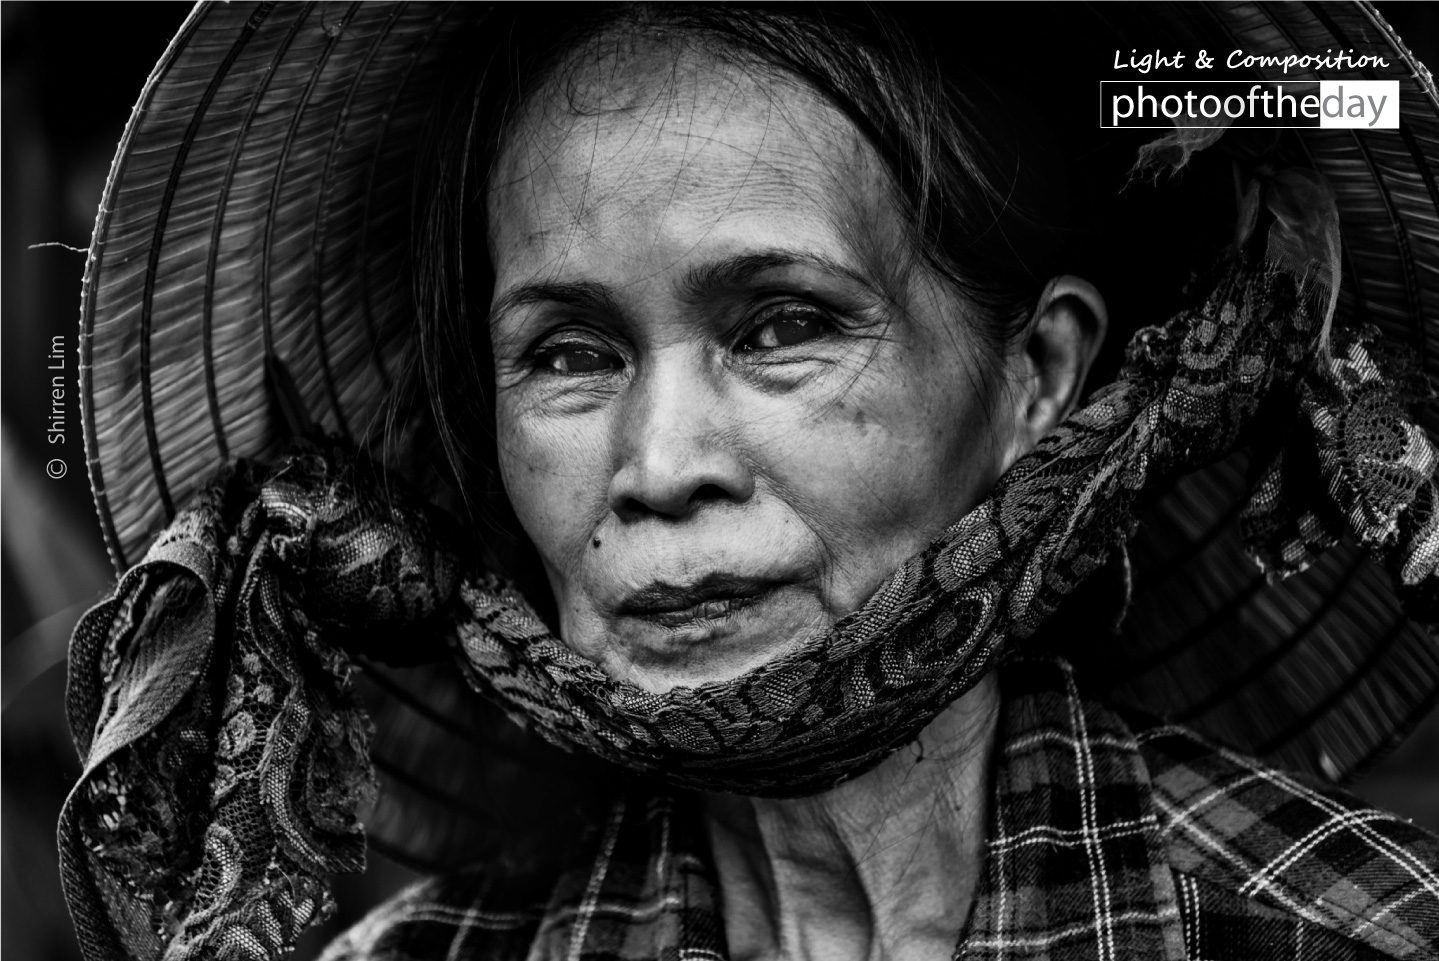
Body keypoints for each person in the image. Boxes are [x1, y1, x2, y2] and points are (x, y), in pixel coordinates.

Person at [58, 4, 1439, 961]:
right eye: (570, 354)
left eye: (783, 325)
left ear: (1036, 378)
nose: (660, 469)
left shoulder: (1346, 933)